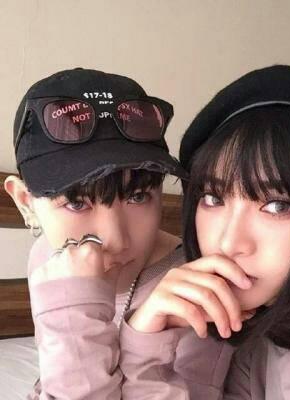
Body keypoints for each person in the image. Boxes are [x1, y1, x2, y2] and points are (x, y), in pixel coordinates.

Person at [120, 65, 290, 399]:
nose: (228, 242)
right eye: (213, 198)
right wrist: (146, 346)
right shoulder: (259, 347)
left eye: (277, 206)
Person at [4, 67, 231, 399]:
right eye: (76, 203)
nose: (116, 240)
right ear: (26, 202)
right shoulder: (46, 258)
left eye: (138, 197)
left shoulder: (195, 294)